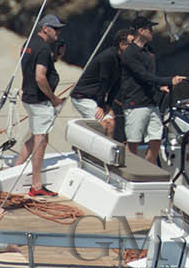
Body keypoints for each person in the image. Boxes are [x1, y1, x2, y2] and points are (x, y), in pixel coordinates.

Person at [117, 18, 186, 164]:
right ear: (141, 31)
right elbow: (143, 75)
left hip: (151, 102)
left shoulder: (149, 51)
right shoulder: (129, 53)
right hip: (135, 103)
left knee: (156, 138)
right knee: (133, 141)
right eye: (150, 29)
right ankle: (130, 170)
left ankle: (147, 166)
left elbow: (150, 77)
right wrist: (169, 81)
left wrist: (159, 86)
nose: (152, 31)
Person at [20, 15, 65, 197]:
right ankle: (36, 185)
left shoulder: (29, 44)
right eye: (56, 29)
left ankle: (16, 168)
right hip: (39, 100)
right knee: (42, 139)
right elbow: (40, 76)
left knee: (35, 137)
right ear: (45, 28)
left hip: (28, 96)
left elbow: (32, 66)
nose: (59, 32)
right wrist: (53, 98)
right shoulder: (44, 49)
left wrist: (55, 58)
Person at [70, 35, 126, 136]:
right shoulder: (108, 56)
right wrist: (100, 105)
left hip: (96, 97)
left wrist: (108, 104)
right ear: (121, 45)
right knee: (104, 123)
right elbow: (103, 81)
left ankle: (106, 146)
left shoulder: (123, 59)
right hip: (83, 96)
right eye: (131, 44)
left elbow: (116, 84)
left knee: (110, 123)